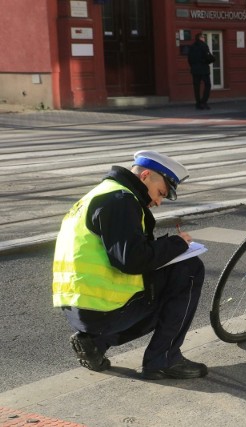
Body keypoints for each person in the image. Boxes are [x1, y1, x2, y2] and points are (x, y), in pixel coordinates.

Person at [52, 150, 208, 380]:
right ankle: (164, 359)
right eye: (160, 193)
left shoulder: (103, 194)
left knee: (166, 280)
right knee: (189, 270)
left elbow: (123, 252)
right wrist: (176, 245)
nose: (158, 201)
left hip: (81, 305)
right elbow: (132, 260)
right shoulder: (121, 201)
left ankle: (96, 342)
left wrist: (165, 247)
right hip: (103, 308)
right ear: (145, 176)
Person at [188, 32, 214, 110]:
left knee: (196, 87)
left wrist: (193, 66)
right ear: (200, 38)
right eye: (203, 37)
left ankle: (198, 103)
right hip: (203, 69)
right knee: (208, 85)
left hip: (195, 70)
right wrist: (212, 59)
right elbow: (207, 57)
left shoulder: (192, 47)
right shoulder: (204, 46)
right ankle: (204, 102)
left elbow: (189, 59)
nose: (204, 38)